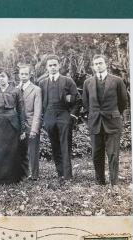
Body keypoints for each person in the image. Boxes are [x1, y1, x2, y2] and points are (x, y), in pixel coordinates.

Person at [82, 54, 128, 185]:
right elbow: (86, 103)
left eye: (100, 63)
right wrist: (94, 115)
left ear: (106, 64)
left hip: (113, 122)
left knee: (113, 154)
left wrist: (114, 113)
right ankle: (100, 181)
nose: (98, 65)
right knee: (96, 154)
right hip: (95, 122)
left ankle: (114, 182)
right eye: (95, 64)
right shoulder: (88, 83)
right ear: (93, 66)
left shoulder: (117, 81)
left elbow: (123, 101)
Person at [39, 54, 80, 182]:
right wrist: (44, 118)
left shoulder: (68, 81)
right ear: (46, 67)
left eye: (54, 65)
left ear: (59, 65)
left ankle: (67, 175)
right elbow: (40, 102)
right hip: (49, 116)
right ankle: (60, 173)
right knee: (54, 144)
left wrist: (72, 115)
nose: (52, 67)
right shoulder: (42, 83)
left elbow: (78, 100)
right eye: (50, 65)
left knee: (65, 144)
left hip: (63, 114)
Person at [17, 65, 42, 180]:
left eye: (26, 74)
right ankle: (23, 173)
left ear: (30, 75)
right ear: (19, 75)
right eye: (21, 74)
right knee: (21, 150)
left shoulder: (36, 89)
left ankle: (34, 174)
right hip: (19, 125)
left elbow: (38, 111)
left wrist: (34, 129)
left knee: (33, 151)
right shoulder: (16, 89)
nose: (23, 76)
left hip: (31, 123)